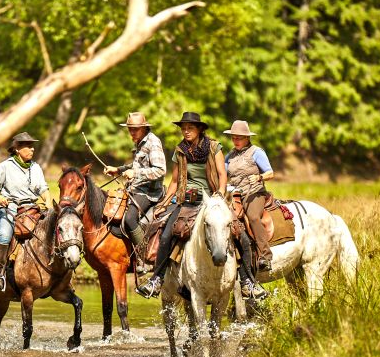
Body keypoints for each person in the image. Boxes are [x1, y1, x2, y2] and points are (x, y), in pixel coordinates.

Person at [136, 112, 228, 299]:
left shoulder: (214, 147)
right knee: (166, 235)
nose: (186, 131)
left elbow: (222, 174)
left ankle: (247, 280)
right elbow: (175, 181)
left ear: (200, 129)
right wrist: (163, 202)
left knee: (236, 231)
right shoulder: (180, 150)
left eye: (190, 128)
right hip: (186, 201)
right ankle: (157, 279)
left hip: (211, 200)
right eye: (183, 128)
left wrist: (220, 193)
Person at [0, 132, 51, 291]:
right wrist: (0, 198)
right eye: (28, 146)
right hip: (10, 208)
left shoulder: (36, 167)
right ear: (16, 149)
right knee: (5, 235)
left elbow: (43, 189)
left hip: (31, 208)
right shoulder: (5, 166)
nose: (32, 149)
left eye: (32, 146)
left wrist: (48, 202)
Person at [104, 112, 166, 272]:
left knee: (130, 219)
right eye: (130, 129)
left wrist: (135, 174)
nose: (132, 132)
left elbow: (160, 170)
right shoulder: (140, 142)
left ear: (144, 128)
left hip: (150, 193)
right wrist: (118, 169)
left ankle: (144, 258)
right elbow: (137, 164)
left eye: (135, 129)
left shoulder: (153, 142)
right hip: (135, 189)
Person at [224, 119, 275, 280]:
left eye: (239, 137)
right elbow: (223, 175)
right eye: (233, 137)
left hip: (255, 193)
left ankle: (265, 255)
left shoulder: (256, 152)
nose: (236, 141)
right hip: (235, 194)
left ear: (247, 138)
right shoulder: (229, 156)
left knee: (253, 216)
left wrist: (259, 177)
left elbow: (270, 173)